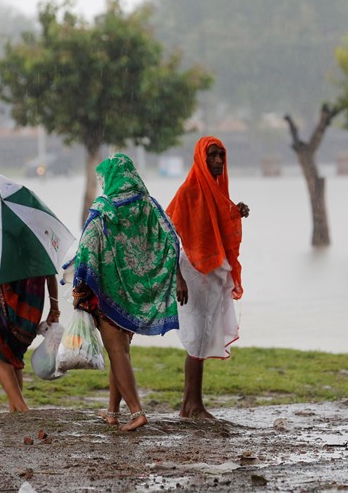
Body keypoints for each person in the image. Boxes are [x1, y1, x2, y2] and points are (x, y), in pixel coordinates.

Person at [71, 154, 184, 431]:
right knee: (120, 352)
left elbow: (86, 246)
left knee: (116, 352)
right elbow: (171, 239)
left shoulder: (105, 207)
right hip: (135, 294)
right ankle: (112, 412)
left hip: (108, 292)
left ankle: (136, 413)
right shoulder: (147, 205)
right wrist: (175, 276)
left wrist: (80, 282)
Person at [166, 136, 249, 419]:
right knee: (197, 338)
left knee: (203, 334)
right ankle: (192, 405)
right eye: (212, 156)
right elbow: (170, 236)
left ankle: (190, 405)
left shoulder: (217, 191)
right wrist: (177, 277)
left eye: (221, 156)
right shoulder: (188, 191)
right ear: (201, 159)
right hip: (192, 274)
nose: (217, 161)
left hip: (212, 274)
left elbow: (217, 226)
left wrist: (236, 212)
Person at [0, 275, 59, 412]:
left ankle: (22, 408)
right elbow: (50, 272)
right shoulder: (42, 253)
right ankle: (14, 411)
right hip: (30, 300)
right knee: (13, 357)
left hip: (1, 292)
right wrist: (54, 308)